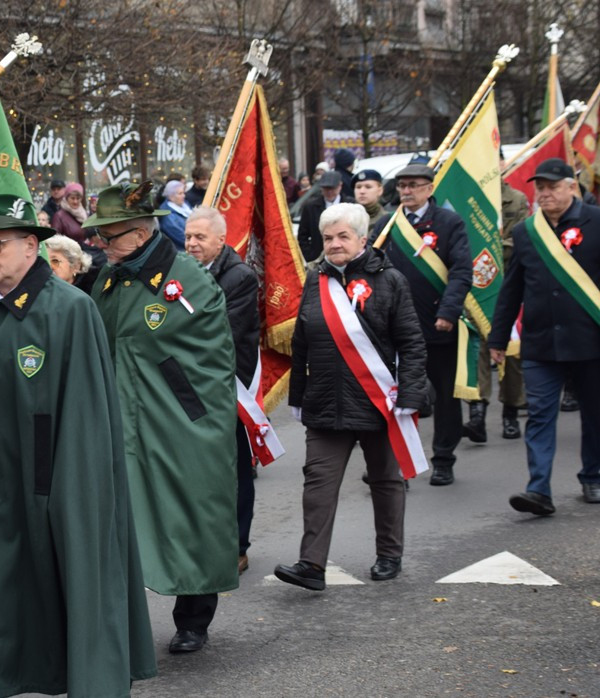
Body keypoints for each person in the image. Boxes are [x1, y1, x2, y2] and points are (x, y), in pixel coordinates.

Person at [0, 194, 155, 698]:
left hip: (49, 489)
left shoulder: (70, 308)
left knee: (63, 591)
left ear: (30, 246)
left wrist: (69, 500)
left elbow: (87, 417)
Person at [86, 181, 238, 655]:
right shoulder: (109, 280)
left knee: (189, 514)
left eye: (108, 237)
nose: (101, 245)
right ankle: (122, 623)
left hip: (180, 423)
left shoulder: (187, 280)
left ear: (139, 233)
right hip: (122, 421)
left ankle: (193, 618)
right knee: (119, 523)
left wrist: (183, 402)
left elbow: (210, 355)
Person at [276, 203, 426, 590]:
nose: (334, 244)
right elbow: (302, 342)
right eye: (328, 238)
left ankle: (389, 554)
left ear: (363, 238)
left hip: (378, 402)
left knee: (385, 480)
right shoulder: (316, 280)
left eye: (343, 236)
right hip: (326, 400)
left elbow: (411, 342)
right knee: (318, 484)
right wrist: (299, 396)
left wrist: (410, 393)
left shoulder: (390, 280)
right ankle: (311, 565)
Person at [487, 158, 600, 515]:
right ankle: (539, 490)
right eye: (541, 187)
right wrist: (498, 338)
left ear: (572, 186)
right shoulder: (526, 232)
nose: (545, 193)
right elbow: (512, 289)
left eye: (553, 186)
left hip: (590, 341)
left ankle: (593, 476)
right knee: (539, 416)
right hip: (540, 342)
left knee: (595, 415)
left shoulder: (596, 223)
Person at [373, 163, 472, 487]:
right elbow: (370, 265)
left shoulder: (449, 222)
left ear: (429, 188)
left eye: (414, 185)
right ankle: (397, 462)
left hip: (437, 325)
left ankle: (443, 458)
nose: (406, 191)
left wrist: (448, 311)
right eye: (402, 185)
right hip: (397, 327)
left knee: (445, 396)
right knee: (398, 396)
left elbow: (460, 271)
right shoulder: (388, 224)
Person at [183, 206, 260, 575]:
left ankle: (237, 545)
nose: (191, 244)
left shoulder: (240, 277)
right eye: (187, 237)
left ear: (221, 239)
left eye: (199, 237)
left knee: (235, 470)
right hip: (186, 387)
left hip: (227, 386)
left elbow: (222, 333)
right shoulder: (180, 275)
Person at [464, 177, 530, 442]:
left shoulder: (515, 198)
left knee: (511, 353)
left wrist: (487, 251)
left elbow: (520, 239)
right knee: (476, 350)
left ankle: (510, 414)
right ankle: (477, 415)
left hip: (508, 281)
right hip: (474, 287)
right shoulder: (466, 199)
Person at [297, 170, 355, 263]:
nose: (329, 192)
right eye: (326, 188)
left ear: (340, 186)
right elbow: (302, 236)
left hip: (346, 258)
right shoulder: (310, 207)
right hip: (318, 259)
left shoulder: (351, 205)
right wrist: (310, 256)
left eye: (332, 188)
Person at [158, 179, 192, 250]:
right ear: (171, 196)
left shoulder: (184, 204)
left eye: (183, 193)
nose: (184, 196)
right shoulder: (167, 215)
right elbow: (182, 238)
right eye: (180, 193)